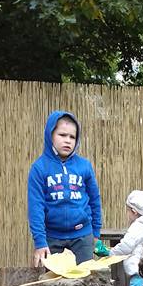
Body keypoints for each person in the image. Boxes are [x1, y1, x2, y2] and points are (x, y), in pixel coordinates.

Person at [28, 110, 102, 267]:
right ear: (50, 135)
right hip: (52, 238)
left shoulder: (84, 166)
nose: (67, 140)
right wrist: (40, 242)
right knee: (53, 280)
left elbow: (95, 199)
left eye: (72, 137)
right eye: (62, 135)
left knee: (85, 279)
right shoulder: (39, 168)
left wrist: (95, 232)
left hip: (83, 237)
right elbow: (36, 207)